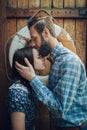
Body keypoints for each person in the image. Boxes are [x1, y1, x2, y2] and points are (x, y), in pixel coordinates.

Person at [15, 16, 87, 130]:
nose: (33, 44)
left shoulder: (69, 62)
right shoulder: (56, 60)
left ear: (46, 33)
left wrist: (32, 78)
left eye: (34, 38)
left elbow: (59, 110)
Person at [7, 46, 47, 130]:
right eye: (39, 57)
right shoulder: (17, 93)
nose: (43, 59)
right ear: (27, 62)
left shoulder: (29, 85)